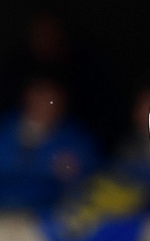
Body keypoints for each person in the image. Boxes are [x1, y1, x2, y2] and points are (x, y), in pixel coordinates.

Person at [0, 74, 98, 212]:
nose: (45, 104)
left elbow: (91, 177)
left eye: (52, 100)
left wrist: (73, 171)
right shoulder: (5, 127)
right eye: (39, 95)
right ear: (27, 97)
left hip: (45, 214)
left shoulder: (74, 138)